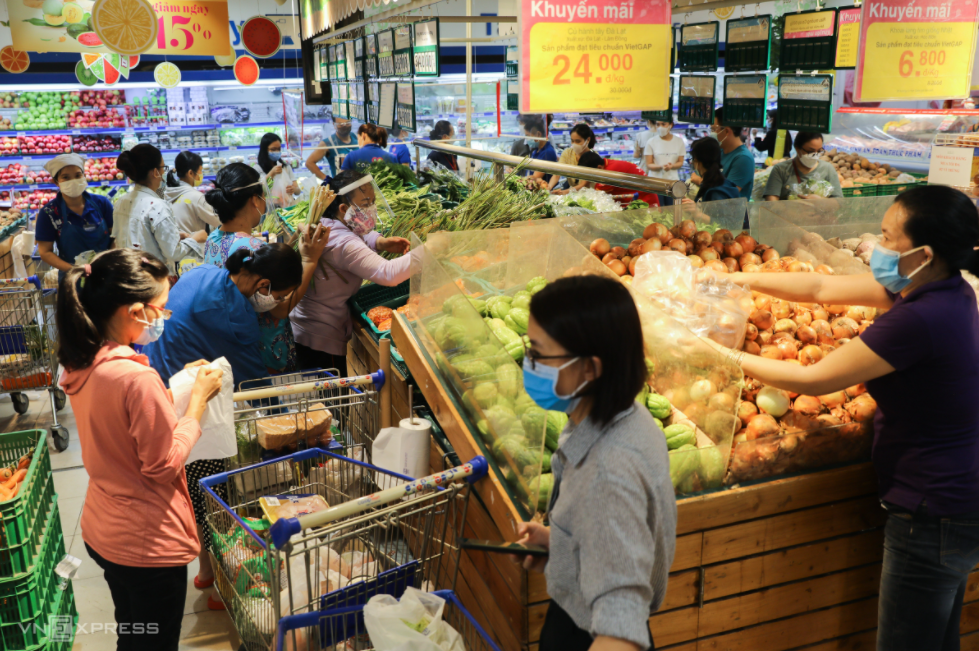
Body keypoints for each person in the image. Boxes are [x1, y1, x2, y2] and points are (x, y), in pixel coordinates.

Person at [709, 185, 979, 651]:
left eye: (888, 238)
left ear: (923, 254)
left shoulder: (919, 318)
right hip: (957, 495)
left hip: (932, 505)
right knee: (937, 637)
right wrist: (741, 282)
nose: (877, 246)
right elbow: (821, 288)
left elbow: (814, 380)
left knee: (908, 643)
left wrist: (722, 356)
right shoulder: (943, 288)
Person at [57, 249, 224, 651]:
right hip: (147, 545)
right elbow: (162, 464)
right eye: (161, 309)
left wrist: (177, 387)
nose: (164, 318)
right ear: (135, 311)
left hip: (105, 532)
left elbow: (121, 420)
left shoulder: (83, 359)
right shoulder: (134, 377)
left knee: (133, 631)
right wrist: (197, 403)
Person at [514, 275, 676, 651]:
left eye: (539, 353)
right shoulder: (629, 416)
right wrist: (564, 545)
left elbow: (622, 626)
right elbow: (620, 536)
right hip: (573, 615)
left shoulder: (610, 471)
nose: (530, 363)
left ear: (589, 368)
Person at [143, 242, 304, 609]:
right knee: (210, 491)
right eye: (277, 295)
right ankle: (221, 583)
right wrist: (292, 429)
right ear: (262, 286)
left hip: (160, 385)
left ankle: (205, 572)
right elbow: (256, 387)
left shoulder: (203, 272)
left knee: (194, 489)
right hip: (188, 408)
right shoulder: (237, 318)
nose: (275, 303)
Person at [290, 170, 412, 375]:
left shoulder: (327, 224)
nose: (372, 209)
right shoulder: (343, 243)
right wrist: (432, 249)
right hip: (319, 339)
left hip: (307, 328)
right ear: (344, 208)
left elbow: (357, 232)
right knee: (331, 402)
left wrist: (379, 241)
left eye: (373, 202)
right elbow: (388, 273)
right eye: (365, 204)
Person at [112, 144, 205, 274]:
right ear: (155, 172)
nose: (164, 173)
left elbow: (137, 236)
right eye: (163, 168)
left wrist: (174, 235)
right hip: (153, 278)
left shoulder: (121, 201)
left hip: (129, 273)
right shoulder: (157, 205)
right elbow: (173, 252)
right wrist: (195, 238)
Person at [35, 153, 114, 276]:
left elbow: (115, 236)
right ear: (56, 182)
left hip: (106, 273)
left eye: (78, 175)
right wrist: (74, 269)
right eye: (66, 177)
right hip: (72, 278)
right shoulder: (49, 212)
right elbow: (45, 252)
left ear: (84, 176)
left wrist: (110, 262)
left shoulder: (102, 203)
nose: (73, 181)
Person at [202, 163, 268, 265]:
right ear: (255, 200)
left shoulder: (212, 238)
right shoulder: (256, 251)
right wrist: (303, 258)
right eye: (263, 195)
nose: (264, 200)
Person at [690, 108, 755, 200]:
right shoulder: (719, 151)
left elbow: (727, 195)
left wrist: (700, 181)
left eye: (714, 129)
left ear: (727, 131)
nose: (712, 133)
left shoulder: (743, 158)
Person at [764, 131, 843, 201]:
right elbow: (771, 203)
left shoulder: (827, 169)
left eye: (819, 151)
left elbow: (839, 202)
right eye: (811, 151)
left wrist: (821, 201)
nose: (815, 155)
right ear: (798, 149)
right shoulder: (780, 169)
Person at [575, 151, 660, 207]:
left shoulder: (609, 173)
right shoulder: (607, 163)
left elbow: (597, 196)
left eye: (590, 175)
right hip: (641, 198)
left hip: (646, 203)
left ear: (599, 167)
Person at [165, 151, 220, 235]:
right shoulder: (197, 197)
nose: (202, 174)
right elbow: (219, 222)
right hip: (195, 246)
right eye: (200, 171)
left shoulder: (168, 193)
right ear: (190, 173)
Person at [643, 118, 686, 206]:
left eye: (663, 124)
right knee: (659, 210)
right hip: (655, 183)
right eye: (658, 125)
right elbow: (649, 164)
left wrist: (672, 166)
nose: (660, 127)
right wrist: (661, 166)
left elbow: (680, 162)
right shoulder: (651, 142)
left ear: (671, 125)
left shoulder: (679, 141)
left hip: (673, 182)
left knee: (672, 210)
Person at [684, 137, 741, 203]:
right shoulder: (719, 183)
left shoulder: (716, 191)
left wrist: (696, 211)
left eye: (693, 160)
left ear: (698, 162)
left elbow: (719, 213)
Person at [255, 133, 300, 207]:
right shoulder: (257, 169)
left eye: (278, 149)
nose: (276, 152)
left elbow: (298, 191)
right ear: (264, 150)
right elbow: (259, 192)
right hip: (268, 210)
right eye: (273, 149)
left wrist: (293, 189)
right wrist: (271, 173)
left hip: (287, 209)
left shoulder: (286, 167)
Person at [549, 123, 596, 192]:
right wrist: (549, 187)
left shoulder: (593, 157)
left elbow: (583, 185)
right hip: (572, 194)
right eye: (572, 141)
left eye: (578, 141)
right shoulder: (567, 153)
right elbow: (557, 174)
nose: (574, 144)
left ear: (588, 140)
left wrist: (564, 192)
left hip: (588, 195)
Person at [524, 116, 558, 184]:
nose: (526, 138)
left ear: (538, 134)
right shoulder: (537, 150)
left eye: (528, 135)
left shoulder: (547, 153)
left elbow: (534, 178)